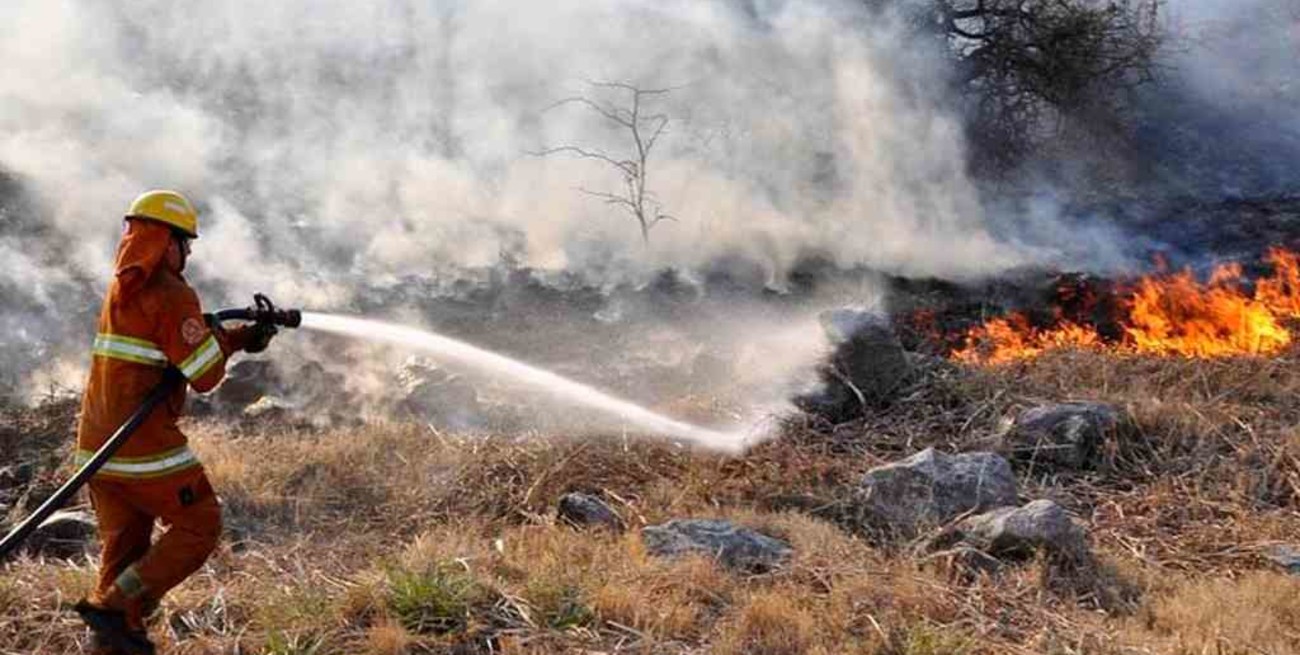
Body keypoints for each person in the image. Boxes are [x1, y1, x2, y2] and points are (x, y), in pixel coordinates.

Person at [72, 190, 275, 654]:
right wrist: (225, 340)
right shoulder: (171, 293)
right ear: (167, 242)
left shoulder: (123, 287)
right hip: (143, 448)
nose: (187, 254)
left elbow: (173, 347)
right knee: (200, 523)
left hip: (97, 449)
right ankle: (115, 607)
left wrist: (238, 337)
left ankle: (112, 637)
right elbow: (204, 375)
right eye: (185, 244)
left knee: (125, 549)